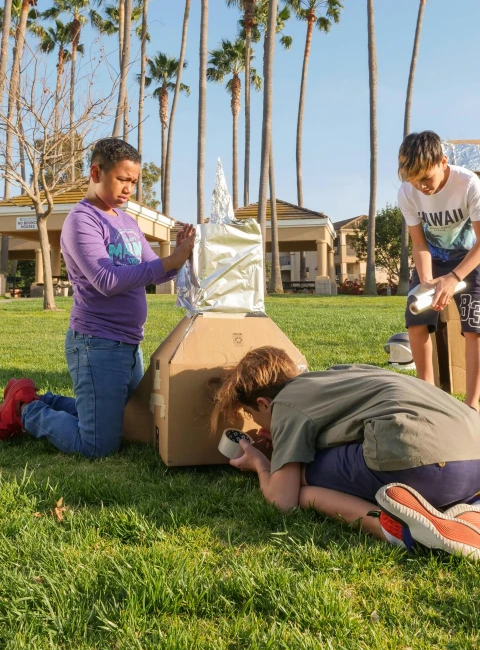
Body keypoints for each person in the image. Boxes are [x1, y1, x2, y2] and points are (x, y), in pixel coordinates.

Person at [0, 137, 195, 455]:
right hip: (96, 343)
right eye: (122, 179)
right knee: (97, 445)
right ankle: (25, 412)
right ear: (95, 172)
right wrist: (170, 261)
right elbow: (106, 279)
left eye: (133, 181)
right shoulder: (82, 221)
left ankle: (41, 399)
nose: (129, 188)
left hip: (129, 345)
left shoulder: (128, 222)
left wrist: (181, 257)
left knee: (130, 420)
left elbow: (154, 270)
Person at [211, 346, 480, 559]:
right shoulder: (338, 374)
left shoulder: (284, 405)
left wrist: (260, 463)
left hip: (424, 462)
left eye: (251, 415)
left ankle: (391, 529)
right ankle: (467, 513)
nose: (256, 425)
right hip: (471, 460)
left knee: (302, 486)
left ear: (263, 403)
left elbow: (282, 501)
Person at [397, 131, 480, 409]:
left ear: (443, 162)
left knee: (475, 328)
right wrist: (429, 281)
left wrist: (455, 277)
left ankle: (471, 405)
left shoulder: (468, 184)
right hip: (432, 259)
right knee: (416, 318)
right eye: (414, 179)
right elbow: (419, 243)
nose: (421, 186)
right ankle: (429, 399)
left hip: (469, 258)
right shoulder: (407, 192)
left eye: (426, 178)